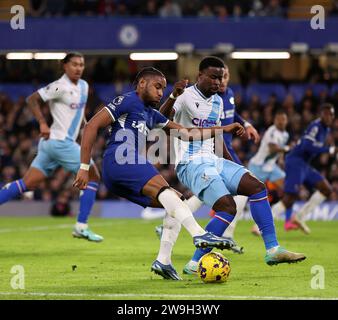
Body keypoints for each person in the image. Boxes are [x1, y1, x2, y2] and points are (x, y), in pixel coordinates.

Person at [73, 66, 245, 280]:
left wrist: (222, 130)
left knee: (175, 202)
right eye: (157, 87)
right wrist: (84, 167)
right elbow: (91, 126)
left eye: (163, 89)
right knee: (170, 195)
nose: (160, 93)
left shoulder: (151, 114)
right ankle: (200, 234)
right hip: (121, 159)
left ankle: (163, 261)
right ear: (142, 84)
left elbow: (186, 133)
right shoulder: (127, 100)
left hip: (119, 173)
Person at [157, 56, 305, 275]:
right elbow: (160, 120)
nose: (218, 82)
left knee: (257, 187)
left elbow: (216, 138)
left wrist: (233, 166)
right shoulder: (185, 96)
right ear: (200, 76)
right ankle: (194, 262)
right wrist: (172, 95)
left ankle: (272, 249)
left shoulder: (218, 102)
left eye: (221, 77)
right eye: (213, 77)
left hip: (213, 160)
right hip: (191, 164)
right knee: (228, 207)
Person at [0, 52, 103, 242]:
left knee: (27, 183)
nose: (79, 68)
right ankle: (81, 226)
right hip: (59, 142)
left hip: (51, 145)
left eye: (81, 65)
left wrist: (87, 131)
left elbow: (79, 115)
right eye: (74, 64)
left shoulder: (83, 86)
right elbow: (32, 99)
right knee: (93, 175)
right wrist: (42, 123)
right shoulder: (59, 86)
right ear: (64, 66)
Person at [271, 103, 336, 234]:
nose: (329, 117)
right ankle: (262, 223)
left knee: (326, 189)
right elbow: (307, 146)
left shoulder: (326, 129)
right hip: (295, 161)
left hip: (305, 164)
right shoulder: (316, 126)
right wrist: (328, 149)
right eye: (326, 114)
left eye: (331, 115)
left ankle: (300, 217)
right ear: (321, 115)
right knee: (290, 197)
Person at [248, 109, 290, 235]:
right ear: (275, 120)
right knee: (241, 195)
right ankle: (220, 214)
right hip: (258, 167)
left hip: (272, 168)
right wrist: (286, 149)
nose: (281, 122)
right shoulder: (271, 131)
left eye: (283, 119)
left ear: (286, 121)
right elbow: (272, 149)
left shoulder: (286, 135)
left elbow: (278, 153)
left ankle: (261, 225)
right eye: (279, 119)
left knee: (289, 190)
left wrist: (281, 159)